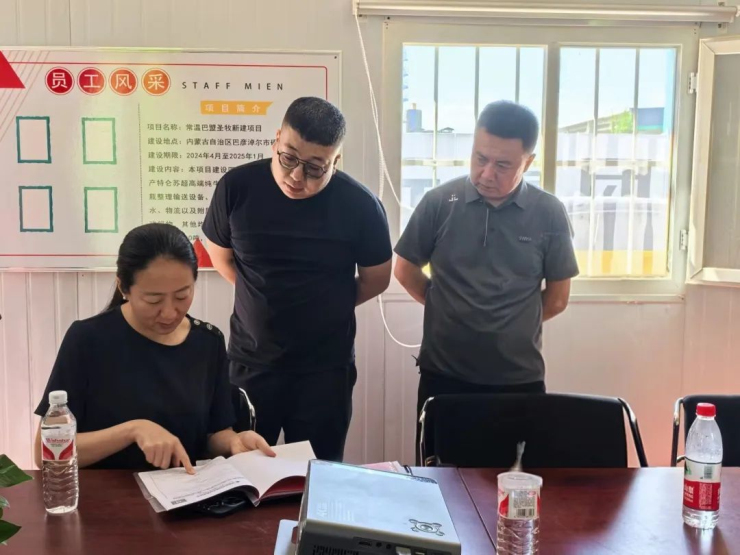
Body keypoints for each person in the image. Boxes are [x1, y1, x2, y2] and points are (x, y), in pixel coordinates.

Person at [203, 97, 392, 462]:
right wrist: (262, 296)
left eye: (315, 168)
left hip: (325, 371)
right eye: (288, 158)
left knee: (317, 475)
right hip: (251, 363)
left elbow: (377, 279)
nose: (296, 176)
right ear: (276, 140)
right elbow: (220, 255)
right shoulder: (237, 187)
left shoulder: (360, 206)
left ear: (335, 161)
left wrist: (329, 303)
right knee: (242, 472)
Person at [394, 100, 579, 445]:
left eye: (503, 165)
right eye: (480, 158)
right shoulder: (439, 203)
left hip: (518, 381)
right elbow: (404, 270)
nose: (487, 174)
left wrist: (509, 320)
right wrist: (447, 307)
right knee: (439, 474)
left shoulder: (548, 213)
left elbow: (557, 299)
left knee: (516, 476)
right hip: (444, 377)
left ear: (528, 162)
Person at [33, 223, 275, 472]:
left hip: (184, 491)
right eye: (153, 300)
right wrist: (132, 430)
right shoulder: (87, 340)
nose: (169, 313)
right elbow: (45, 452)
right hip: (107, 493)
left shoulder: (207, 342)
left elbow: (215, 433)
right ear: (123, 288)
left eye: (182, 296)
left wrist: (234, 442)